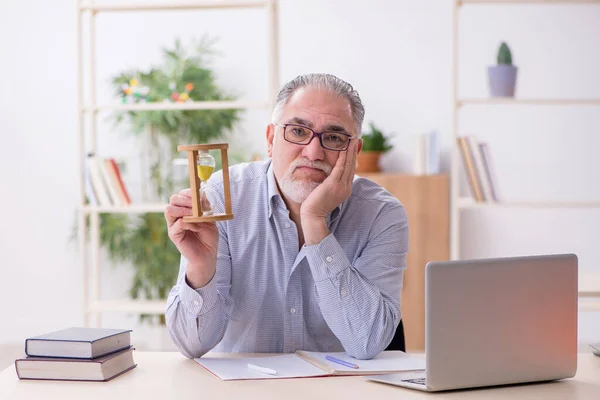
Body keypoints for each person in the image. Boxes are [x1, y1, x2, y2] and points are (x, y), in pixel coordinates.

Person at [164, 73, 409, 360]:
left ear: (354, 152)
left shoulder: (382, 215)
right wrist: (200, 267)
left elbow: (367, 342)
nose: (313, 151)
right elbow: (192, 345)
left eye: (333, 137)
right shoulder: (220, 197)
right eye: (297, 131)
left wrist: (315, 221)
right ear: (271, 139)